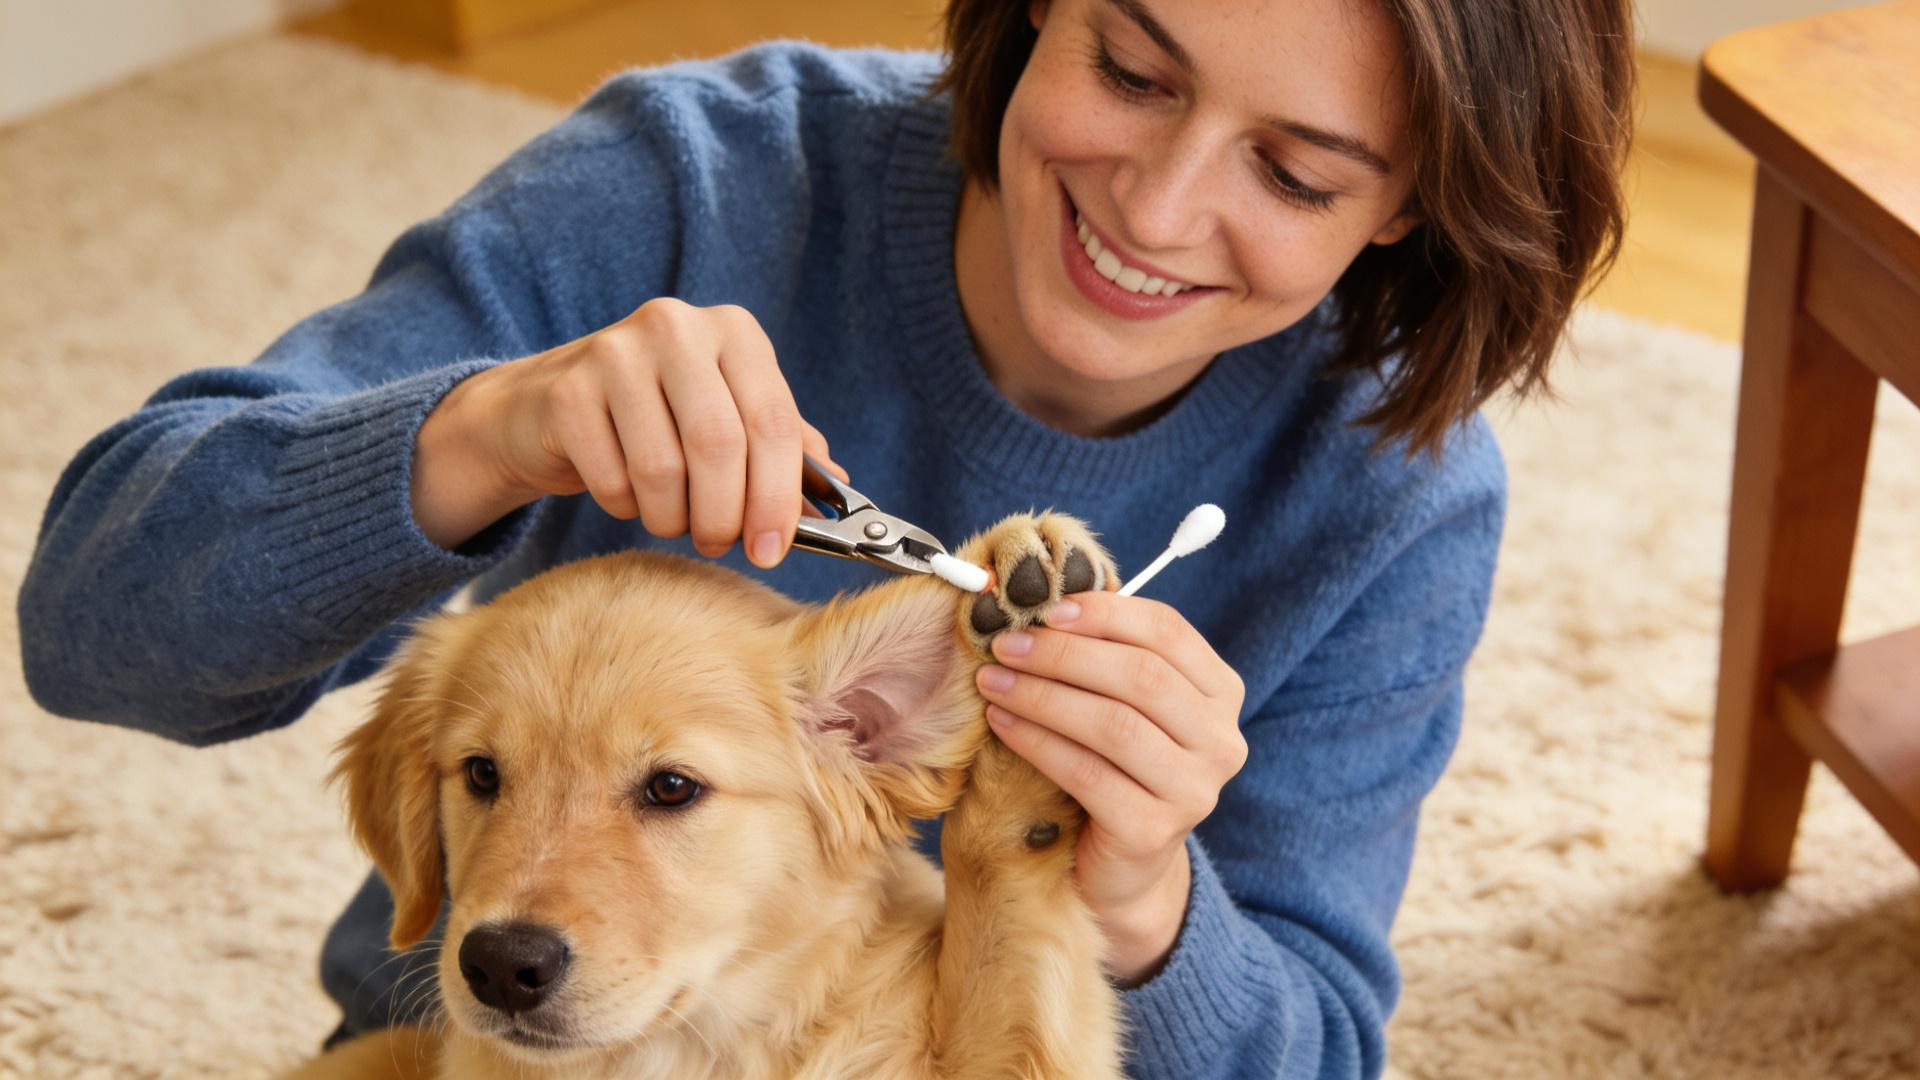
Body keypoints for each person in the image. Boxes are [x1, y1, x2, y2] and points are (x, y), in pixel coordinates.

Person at [17, 0, 1633, 1075]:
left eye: (1293, 169)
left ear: (1413, 197)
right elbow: (89, 626)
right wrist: (487, 428)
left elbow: (1318, 1046)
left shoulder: (1386, 492)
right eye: (1131, 73)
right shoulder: (695, 180)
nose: (1153, 207)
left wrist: (1139, 898)